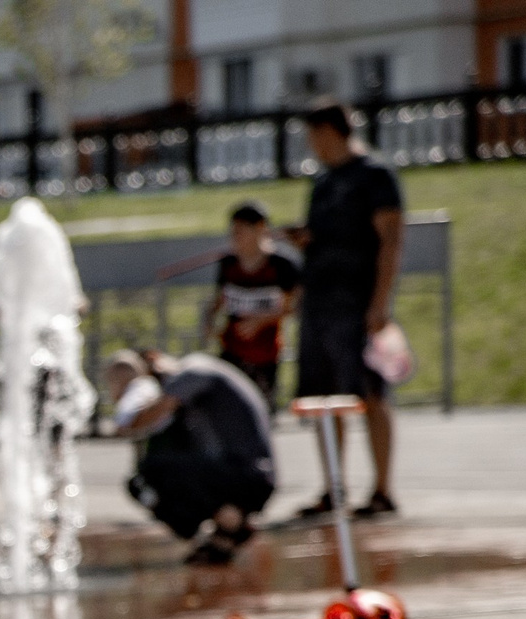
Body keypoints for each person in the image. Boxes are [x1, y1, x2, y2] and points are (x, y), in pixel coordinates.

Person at [284, 101, 404, 516]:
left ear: (331, 132)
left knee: (370, 393)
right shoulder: (322, 182)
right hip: (320, 303)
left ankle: (383, 490)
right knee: (325, 399)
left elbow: (390, 239)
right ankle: (333, 487)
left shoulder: (374, 175)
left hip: (358, 301)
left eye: (313, 136)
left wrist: (380, 303)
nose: (311, 145)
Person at [104, 347, 276, 565]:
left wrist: (126, 416)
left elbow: (154, 412)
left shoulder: (192, 372)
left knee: (152, 471)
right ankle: (226, 524)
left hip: (247, 475)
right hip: (250, 472)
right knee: (152, 474)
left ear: (154, 359)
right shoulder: (202, 374)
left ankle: (230, 522)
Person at [205, 201, 301, 409]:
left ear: (260, 229)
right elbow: (219, 299)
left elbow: (297, 304)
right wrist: (210, 320)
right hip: (231, 349)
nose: (235, 237)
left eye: (241, 231)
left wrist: (263, 320)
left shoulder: (280, 265)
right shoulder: (229, 263)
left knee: (261, 408)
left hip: (265, 353)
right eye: (233, 231)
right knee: (226, 408)